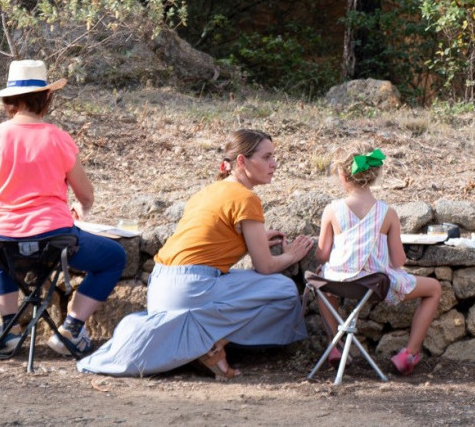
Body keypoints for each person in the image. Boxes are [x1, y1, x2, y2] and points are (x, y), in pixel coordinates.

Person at [78, 129, 314, 378]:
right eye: (267, 157)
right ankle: (210, 346)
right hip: (191, 287)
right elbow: (264, 267)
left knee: (237, 292)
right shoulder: (246, 198)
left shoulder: (209, 191)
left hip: (160, 285)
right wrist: (292, 255)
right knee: (284, 291)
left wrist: (250, 240)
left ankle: (197, 343)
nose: (274, 164)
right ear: (242, 161)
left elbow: (207, 238)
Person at [0, 59, 126, 358]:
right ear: (46, 97)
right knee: (114, 258)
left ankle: (9, 328)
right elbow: (86, 194)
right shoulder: (58, 138)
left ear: (8, 100)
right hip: (56, 241)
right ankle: (70, 328)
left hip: (3, 239)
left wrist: (0, 225)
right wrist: (81, 210)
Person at [315, 147, 442, 375]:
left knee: (322, 279)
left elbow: (323, 254)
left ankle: (335, 345)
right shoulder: (387, 212)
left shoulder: (332, 210)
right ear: (375, 176)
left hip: (339, 283)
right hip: (375, 286)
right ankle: (409, 354)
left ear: (343, 176)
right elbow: (398, 261)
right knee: (434, 288)